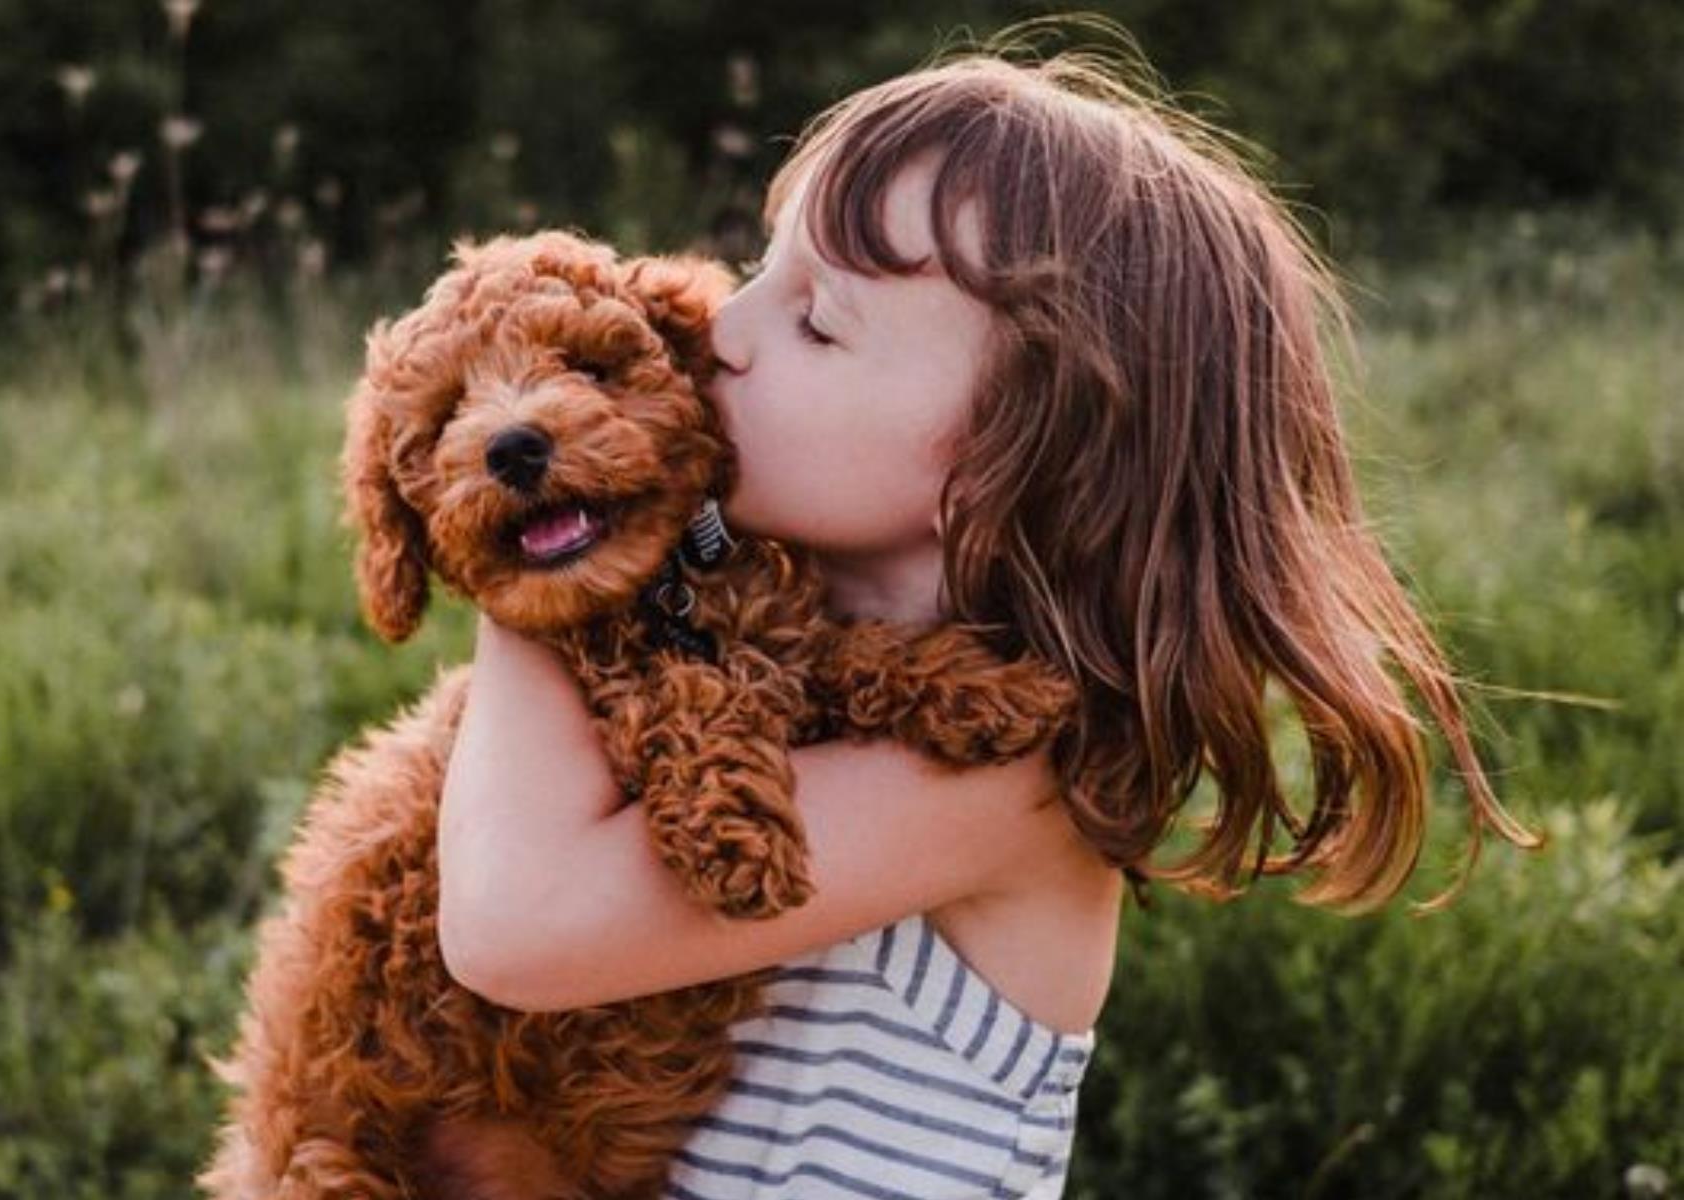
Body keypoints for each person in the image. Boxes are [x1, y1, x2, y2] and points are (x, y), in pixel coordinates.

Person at [434, 31, 1542, 1200]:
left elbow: (514, 929)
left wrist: (540, 561)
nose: (721, 331)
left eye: (817, 322)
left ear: (1004, 464)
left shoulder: (1003, 773)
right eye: (761, 267)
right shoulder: (768, 664)